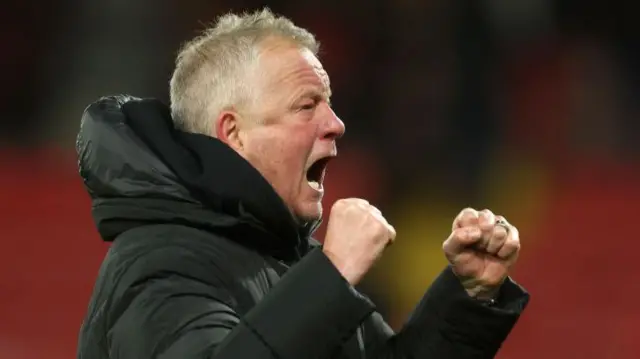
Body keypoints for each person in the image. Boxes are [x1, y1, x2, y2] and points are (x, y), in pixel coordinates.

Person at [76, 8, 529, 359]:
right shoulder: (160, 263)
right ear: (233, 133)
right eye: (306, 105)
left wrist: (468, 295)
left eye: (329, 104)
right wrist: (331, 276)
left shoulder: (287, 263)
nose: (336, 124)